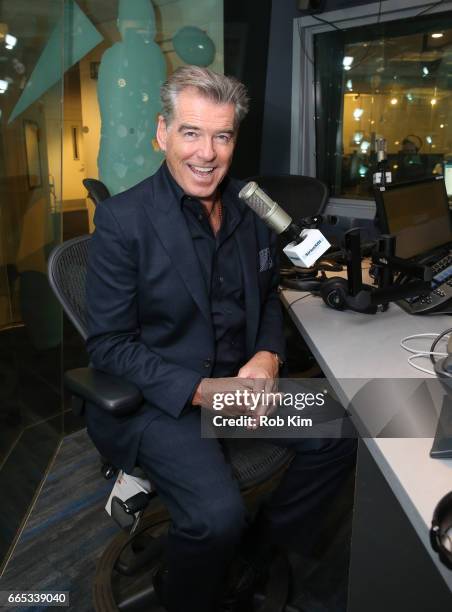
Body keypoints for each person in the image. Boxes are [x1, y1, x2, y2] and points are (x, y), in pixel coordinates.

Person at [86, 65, 356, 612]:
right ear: (163, 133)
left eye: (222, 135)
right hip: (162, 402)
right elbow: (109, 345)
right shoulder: (122, 220)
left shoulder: (252, 207)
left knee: (343, 429)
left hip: (241, 388)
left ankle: (254, 551)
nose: (206, 154)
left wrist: (267, 354)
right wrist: (204, 391)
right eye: (191, 132)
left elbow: (267, 297)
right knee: (216, 516)